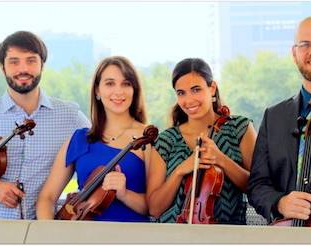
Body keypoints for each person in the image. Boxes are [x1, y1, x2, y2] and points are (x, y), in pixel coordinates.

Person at [0, 31, 90, 219]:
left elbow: (93, 163)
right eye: (14, 61)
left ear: (42, 65)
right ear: (2, 68)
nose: (23, 69)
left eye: (31, 60)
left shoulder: (71, 116)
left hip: (44, 229)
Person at [36, 56, 151, 222]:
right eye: (110, 83)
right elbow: (47, 198)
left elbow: (156, 207)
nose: (118, 91)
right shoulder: (79, 139)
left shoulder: (148, 139)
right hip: (83, 237)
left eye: (126, 84)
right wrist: (51, 235)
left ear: (134, 90)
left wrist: (125, 194)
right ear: (97, 91)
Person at [147, 58, 257, 224]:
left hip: (227, 237)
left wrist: (221, 159)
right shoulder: (166, 140)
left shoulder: (239, 128)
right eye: (181, 93)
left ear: (212, 88)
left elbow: (257, 188)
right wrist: (180, 170)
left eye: (196, 89)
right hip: (172, 238)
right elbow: (154, 209)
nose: (189, 100)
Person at [248, 16, 311, 224]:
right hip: (286, 235)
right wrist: (280, 203)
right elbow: (257, 185)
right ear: (294, 53)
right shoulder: (272, 117)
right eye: (305, 45)